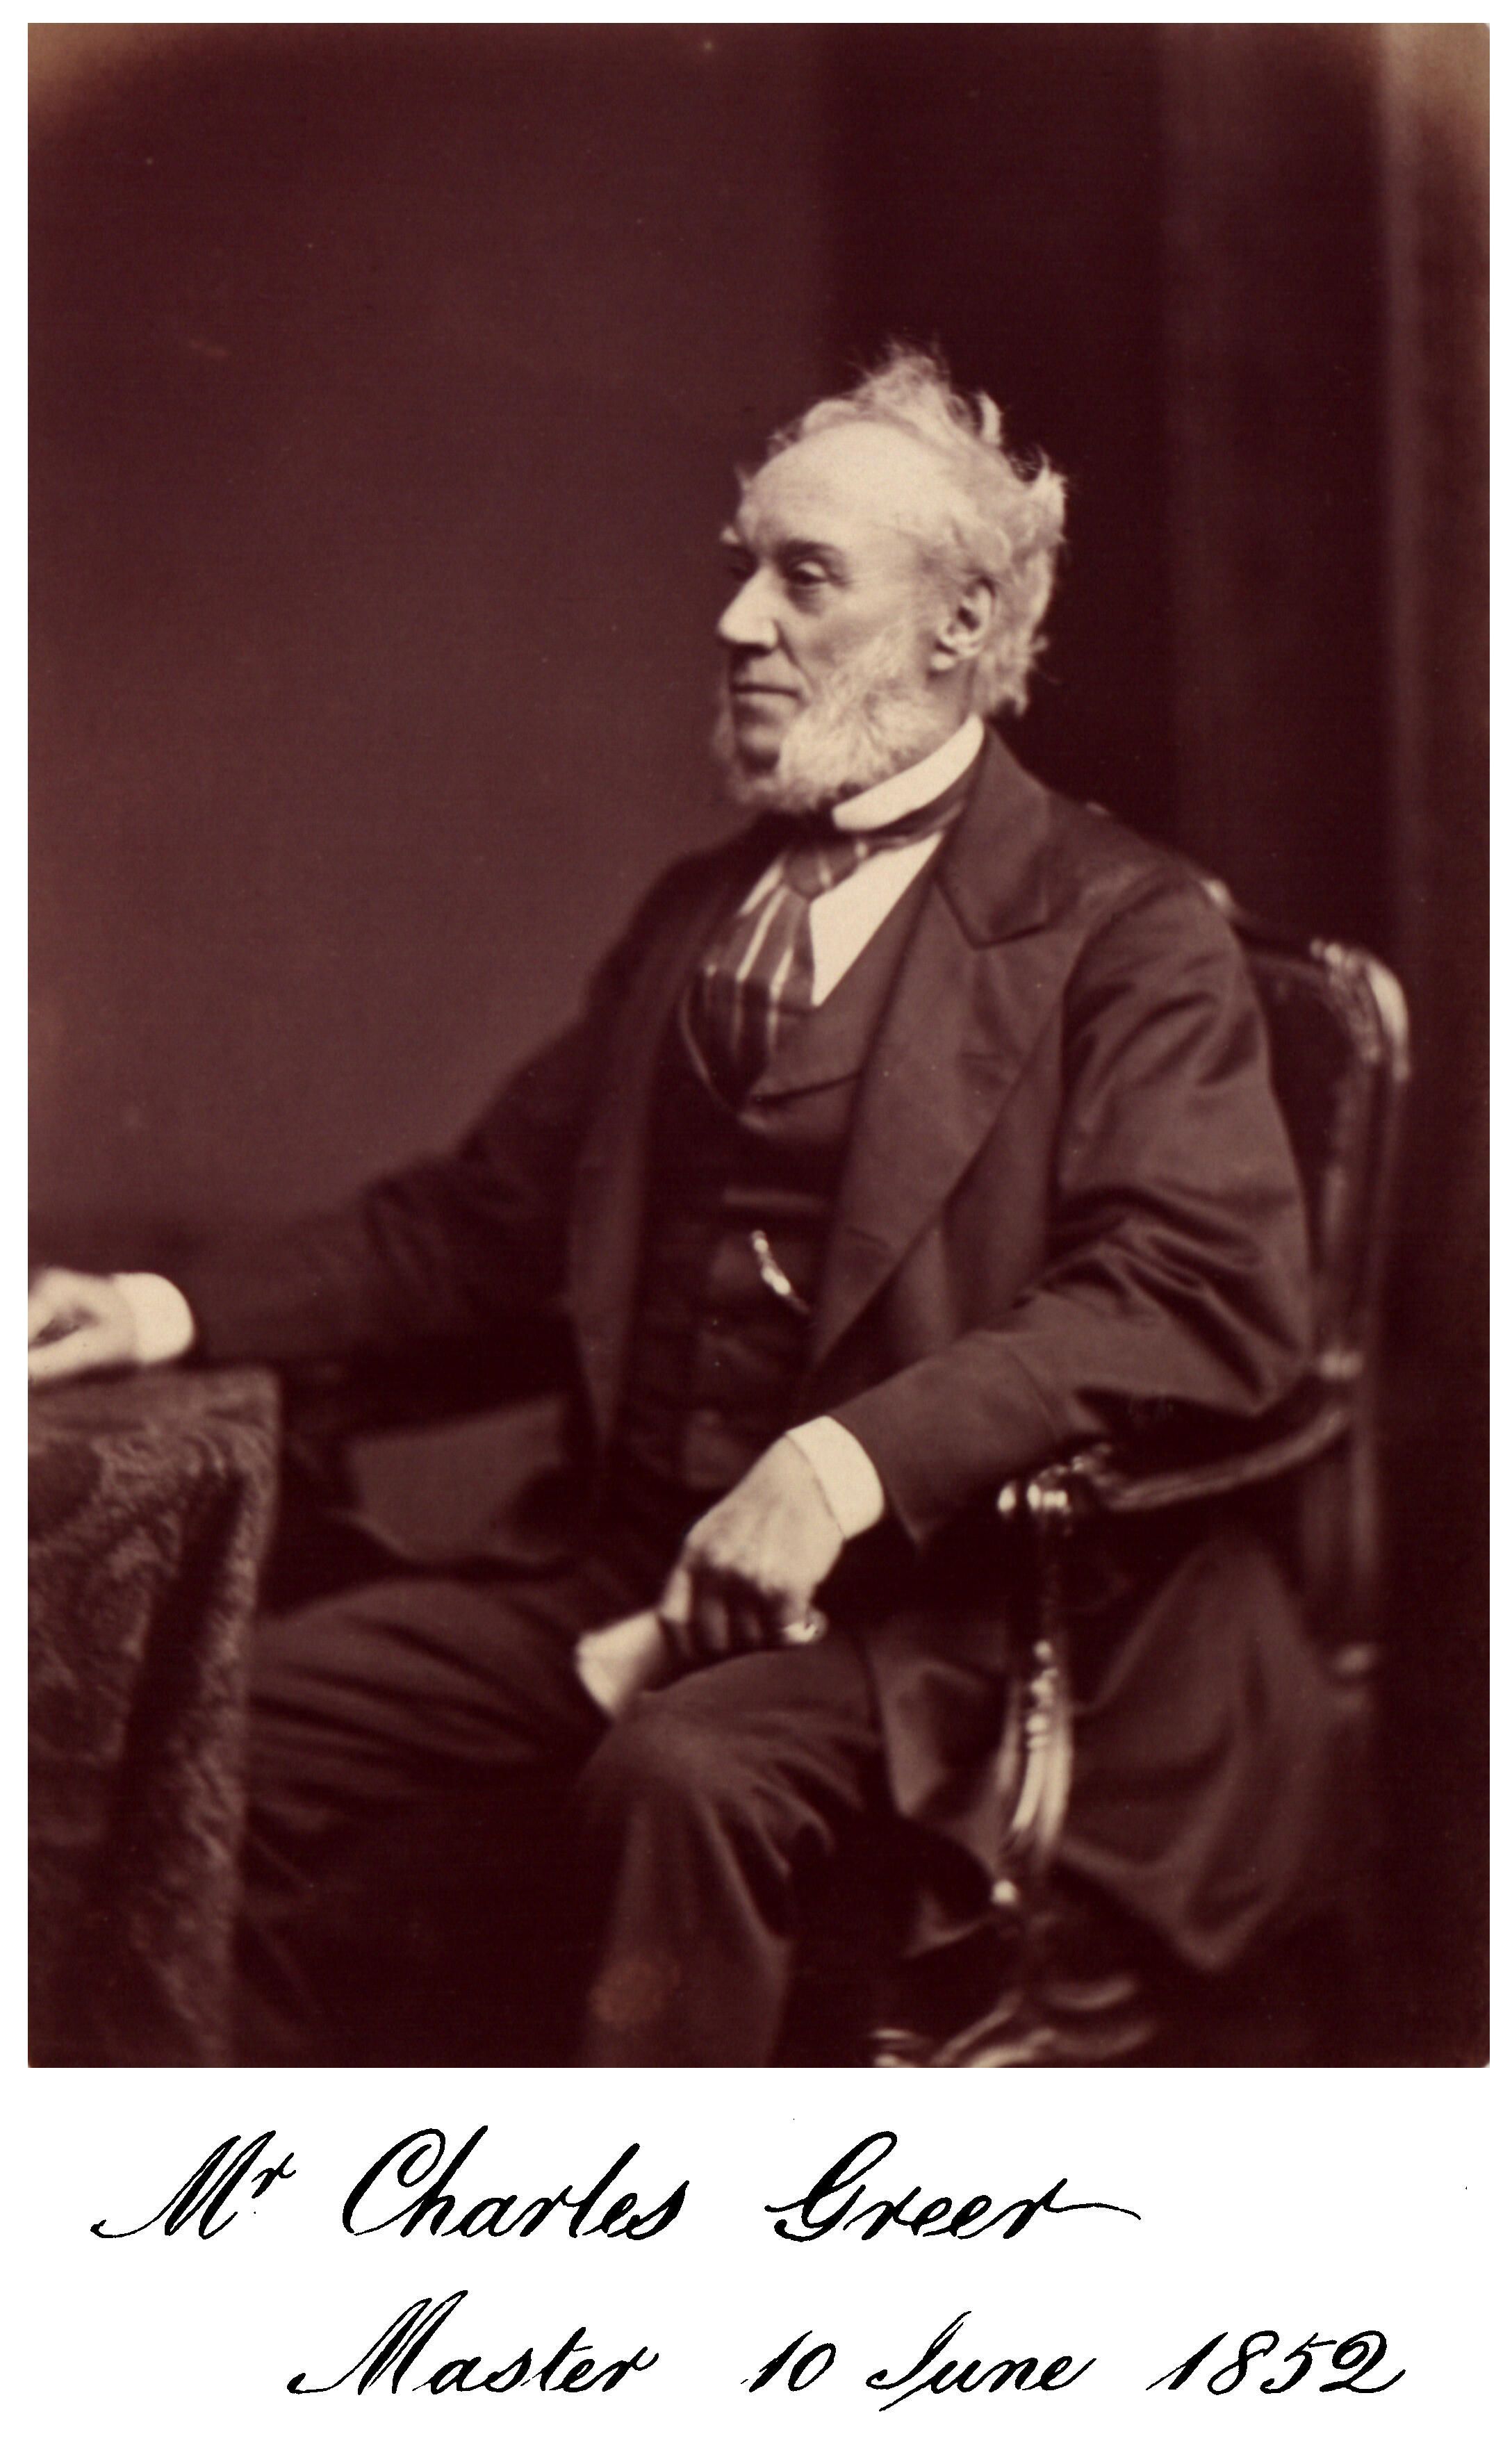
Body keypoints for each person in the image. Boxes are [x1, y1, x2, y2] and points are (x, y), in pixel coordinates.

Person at [28, 346, 1340, 2066]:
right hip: (620, 1563)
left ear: (957, 623)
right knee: (205, 1743)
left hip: (935, 1630)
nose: (735, 621)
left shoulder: (1122, 928)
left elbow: (1192, 1285)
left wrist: (841, 1461)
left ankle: (659, 2244)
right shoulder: (700, 913)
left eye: (804, 576)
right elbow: (479, 1225)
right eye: (739, 566)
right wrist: (158, 1308)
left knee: (679, 1776)